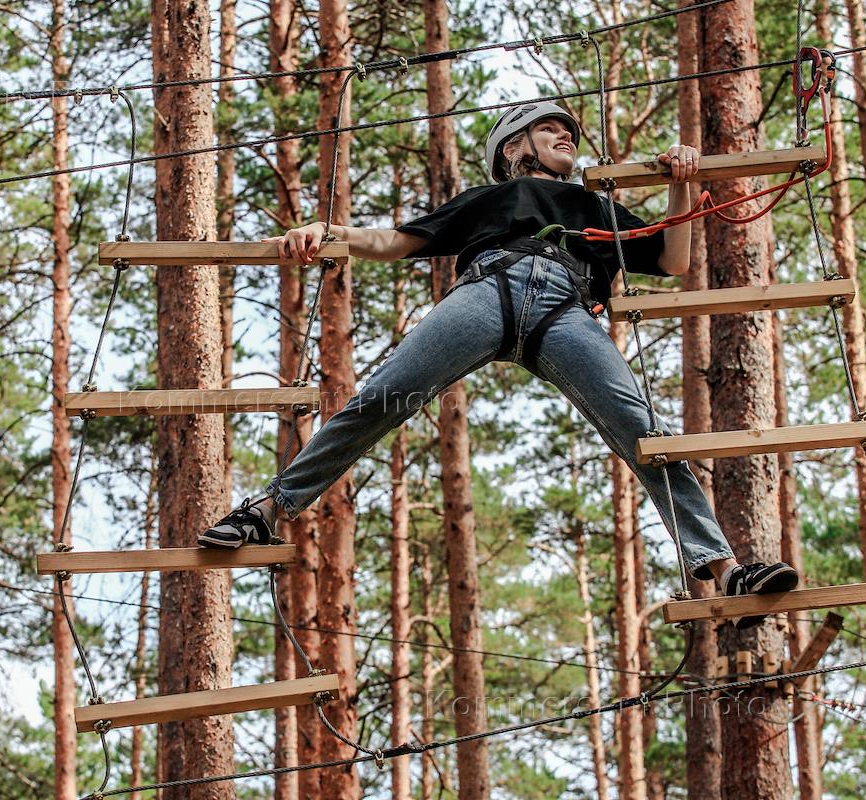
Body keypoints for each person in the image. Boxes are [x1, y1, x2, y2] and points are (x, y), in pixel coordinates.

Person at [199, 101, 797, 628]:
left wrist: (681, 185)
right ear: (513, 148)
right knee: (380, 398)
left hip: (566, 307)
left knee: (643, 430)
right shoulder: (492, 199)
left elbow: (671, 261)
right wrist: (327, 231)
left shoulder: (594, 205)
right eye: (550, 128)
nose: (566, 134)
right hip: (489, 289)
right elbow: (398, 242)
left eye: (569, 130)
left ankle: (725, 570)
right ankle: (268, 509)